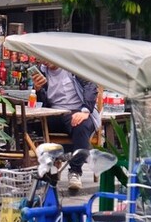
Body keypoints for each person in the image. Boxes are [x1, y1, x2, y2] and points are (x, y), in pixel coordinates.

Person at [30, 62, 99, 192]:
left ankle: (75, 171)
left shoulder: (73, 66)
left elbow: (90, 86)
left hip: (77, 110)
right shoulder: (42, 71)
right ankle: (42, 168)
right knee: (29, 124)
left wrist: (85, 111)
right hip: (53, 113)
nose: (46, 60)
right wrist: (39, 90)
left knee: (81, 125)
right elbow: (42, 102)